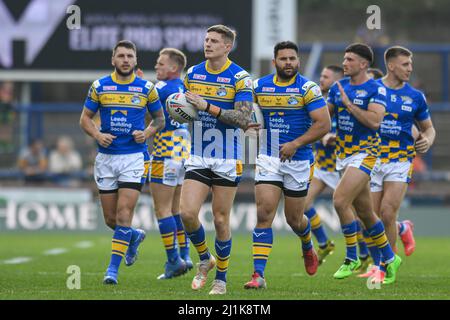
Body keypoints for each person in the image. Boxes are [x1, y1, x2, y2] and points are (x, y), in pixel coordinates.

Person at [243, 41, 331, 290]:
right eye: (284, 59)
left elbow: (323, 124)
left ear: (298, 61)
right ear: (275, 62)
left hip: (299, 160)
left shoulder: (308, 89)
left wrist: (296, 143)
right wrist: (248, 124)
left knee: (294, 219)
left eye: (292, 58)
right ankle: (258, 275)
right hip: (268, 156)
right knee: (264, 214)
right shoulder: (259, 86)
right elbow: (246, 113)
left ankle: (307, 244)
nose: (289, 63)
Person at [79, 40, 165, 285]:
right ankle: (134, 236)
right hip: (106, 158)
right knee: (110, 219)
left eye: (130, 56)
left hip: (134, 158)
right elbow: (85, 119)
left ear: (136, 60)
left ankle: (112, 271)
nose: (126, 60)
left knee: (124, 212)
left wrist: (147, 133)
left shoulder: (147, 88)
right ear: (113, 60)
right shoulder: (100, 86)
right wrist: (97, 134)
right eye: (121, 56)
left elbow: (159, 119)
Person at [180, 24, 254, 295]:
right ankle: (204, 258)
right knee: (187, 214)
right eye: (206, 39)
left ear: (227, 46)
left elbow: (244, 119)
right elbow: (184, 107)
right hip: (199, 154)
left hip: (227, 157)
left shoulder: (240, 78)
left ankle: (220, 278)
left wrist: (207, 106)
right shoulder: (193, 73)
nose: (207, 44)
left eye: (214, 41)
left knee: (221, 219)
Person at [327, 43, 401, 285]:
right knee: (367, 214)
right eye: (344, 58)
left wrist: (349, 105)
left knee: (339, 200)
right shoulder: (338, 88)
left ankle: (352, 258)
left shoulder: (376, 89)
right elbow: (324, 117)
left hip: (366, 153)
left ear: (363, 64)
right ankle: (390, 258)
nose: (344, 63)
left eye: (349, 59)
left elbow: (375, 122)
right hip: (343, 154)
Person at [360, 46, 436, 283]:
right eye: (405, 64)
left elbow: (429, 128)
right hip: (373, 159)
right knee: (370, 218)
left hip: (400, 160)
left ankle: (385, 266)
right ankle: (402, 230)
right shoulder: (372, 89)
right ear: (391, 65)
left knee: (387, 212)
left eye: (410, 64)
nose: (410, 69)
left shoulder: (415, 96)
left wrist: (427, 140)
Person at [138, 48, 194, 280]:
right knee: (176, 210)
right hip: (184, 154)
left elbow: (139, 105)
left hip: (164, 153)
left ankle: (173, 261)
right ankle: (185, 255)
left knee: (161, 209)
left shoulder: (160, 88)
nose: (157, 67)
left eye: (160, 64)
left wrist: (139, 85)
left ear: (173, 68)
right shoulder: (184, 89)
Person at [304, 65, 343, 265]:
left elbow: (352, 132)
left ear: (337, 81)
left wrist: (332, 137)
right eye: (321, 75)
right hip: (322, 167)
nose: (321, 79)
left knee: (362, 215)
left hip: (343, 169)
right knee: (302, 204)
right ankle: (324, 243)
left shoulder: (341, 103)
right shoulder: (318, 102)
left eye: (326, 77)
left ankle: (397, 229)